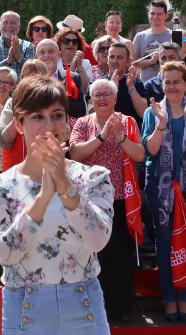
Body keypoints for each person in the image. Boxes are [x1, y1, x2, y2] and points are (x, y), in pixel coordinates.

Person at [0, 74, 114, 335]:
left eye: (57, 115)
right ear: (19, 124)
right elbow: (5, 254)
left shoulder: (93, 178)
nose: (49, 125)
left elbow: (98, 240)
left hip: (84, 307)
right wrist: (41, 199)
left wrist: (64, 185)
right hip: (24, 310)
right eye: (37, 117)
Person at [69, 78, 145, 323]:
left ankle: (120, 307)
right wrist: (102, 136)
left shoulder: (128, 121)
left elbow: (139, 154)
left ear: (115, 98)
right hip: (90, 199)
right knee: (93, 253)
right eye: (97, 94)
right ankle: (93, 308)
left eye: (107, 94)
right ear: (91, 99)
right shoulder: (83, 123)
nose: (102, 98)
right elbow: (76, 153)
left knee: (119, 254)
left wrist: (121, 137)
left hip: (121, 197)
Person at [141, 61, 186, 321]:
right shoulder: (153, 111)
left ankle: (184, 296)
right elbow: (152, 150)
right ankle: (170, 297)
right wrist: (161, 122)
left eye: (176, 81)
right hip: (161, 186)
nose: (171, 86)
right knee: (165, 242)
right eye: (167, 82)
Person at [0, 60, 50, 172]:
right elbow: (3, 141)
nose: (31, 78)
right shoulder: (12, 103)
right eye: (27, 74)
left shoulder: (54, 103)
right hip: (15, 172)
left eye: (36, 74)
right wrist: (19, 112)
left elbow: (63, 135)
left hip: (45, 169)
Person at [35, 39, 86, 125]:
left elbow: (80, 111)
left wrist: (59, 95)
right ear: (36, 56)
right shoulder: (30, 79)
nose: (47, 55)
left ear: (59, 54)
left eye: (51, 51)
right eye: (42, 52)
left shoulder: (72, 77)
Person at [0, 11, 35, 80]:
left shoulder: (28, 46)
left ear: (19, 27)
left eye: (13, 22)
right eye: (5, 22)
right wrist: (7, 61)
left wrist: (18, 57)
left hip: (22, 90)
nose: (9, 26)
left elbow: (33, 74)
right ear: (0, 25)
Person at [104, 42, 147, 123]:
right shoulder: (97, 83)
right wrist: (111, 89)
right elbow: (93, 111)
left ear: (128, 61)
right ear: (107, 60)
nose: (114, 60)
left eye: (119, 57)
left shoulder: (135, 82)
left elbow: (143, 113)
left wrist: (131, 87)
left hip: (130, 132)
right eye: (112, 57)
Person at [134, 0, 172, 82]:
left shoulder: (173, 35)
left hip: (169, 84)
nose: (155, 17)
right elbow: (133, 64)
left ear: (166, 15)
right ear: (148, 14)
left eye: (159, 14)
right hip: (146, 86)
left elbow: (180, 60)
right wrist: (151, 61)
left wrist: (184, 38)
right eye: (152, 13)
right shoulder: (140, 36)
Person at [0, 67, 18, 171]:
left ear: (13, 87)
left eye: (6, 82)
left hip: (7, 162)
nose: (1, 85)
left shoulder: (15, 106)